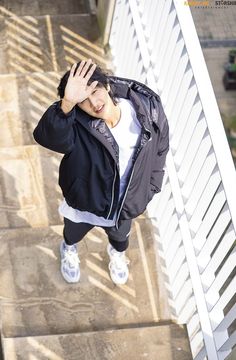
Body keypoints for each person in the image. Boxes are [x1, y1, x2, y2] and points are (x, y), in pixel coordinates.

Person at [33, 59, 169, 285]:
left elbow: (160, 148)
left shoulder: (149, 109)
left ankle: (117, 255)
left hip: (124, 205)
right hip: (85, 201)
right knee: (73, 233)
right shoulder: (76, 124)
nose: (94, 103)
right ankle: (68, 249)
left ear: (106, 85)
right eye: (83, 100)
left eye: (95, 91)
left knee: (120, 240)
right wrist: (67, 103)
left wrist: (152, 185)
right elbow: (47, 137)